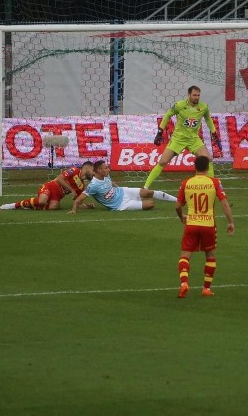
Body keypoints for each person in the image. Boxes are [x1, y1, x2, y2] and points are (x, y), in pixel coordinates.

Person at [174, 155, 235, 298]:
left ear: (195, 167)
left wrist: (181, 217)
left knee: (185, 256)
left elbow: (177, 206)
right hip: (208, 224)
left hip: (191, 224)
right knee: (210, 256)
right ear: (208, 167)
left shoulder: (186, 183)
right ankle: (206, 288)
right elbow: (224, 203)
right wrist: (230, 222)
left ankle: (184, 283)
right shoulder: (214, 182)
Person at [144, 85, 222, 189]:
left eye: (198, 95)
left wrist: (214, 133)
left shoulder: (203, 107)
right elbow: (168, 115)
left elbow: (208, 118)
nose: (197, 97)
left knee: (208, 159)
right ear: (189, 95)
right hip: (178, 139)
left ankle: (212, 186)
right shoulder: (179, 105)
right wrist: (160, 131)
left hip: (193, 139)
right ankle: (145, 187)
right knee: (162, 162)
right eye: (194, 95)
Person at [72, 160, 177, 212]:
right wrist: (74, 209)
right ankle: (136, 201)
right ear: (99, 170)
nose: (109, 170)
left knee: (148, 192)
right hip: (120, 205)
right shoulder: (93, 185)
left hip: (123, 191)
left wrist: (118, 188)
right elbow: (78, 199)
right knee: (150, 204)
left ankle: (178, 200)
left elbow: (110, 183)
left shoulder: (105, 176)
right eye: (106, 168)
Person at [0, 161, 96, 211]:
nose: (94, 174)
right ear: (87, 168)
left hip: (57, 197)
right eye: (93, 171)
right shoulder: (74, 170)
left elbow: (78, 202)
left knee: (54, 207)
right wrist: (71, 190)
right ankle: (15, 205)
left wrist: (87, 206)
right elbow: (59, 178)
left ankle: (32, 206)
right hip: (49, 187)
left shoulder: (82, 186)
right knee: (42, 201)